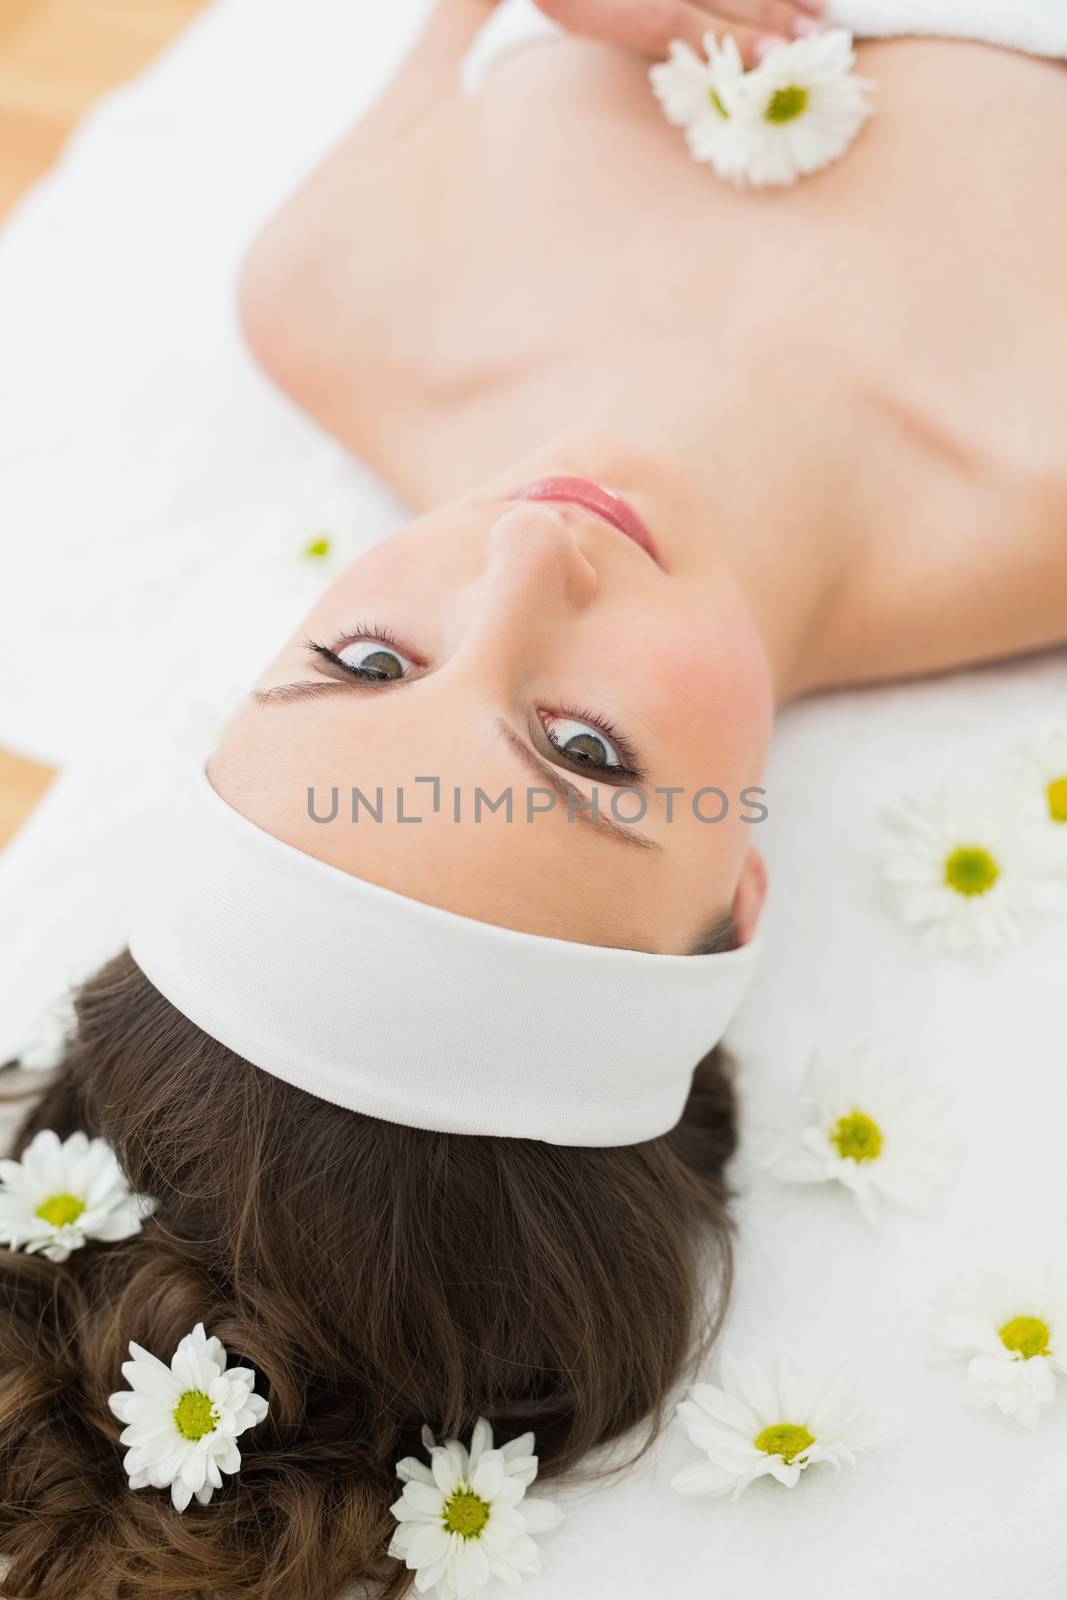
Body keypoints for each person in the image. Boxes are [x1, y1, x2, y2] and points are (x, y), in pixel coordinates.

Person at [1, 3, 1065, 1596]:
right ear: (740, 896)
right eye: (583, 750)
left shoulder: (332, 295)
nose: (520, 556)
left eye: (365, 658)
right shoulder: (1036, 478)